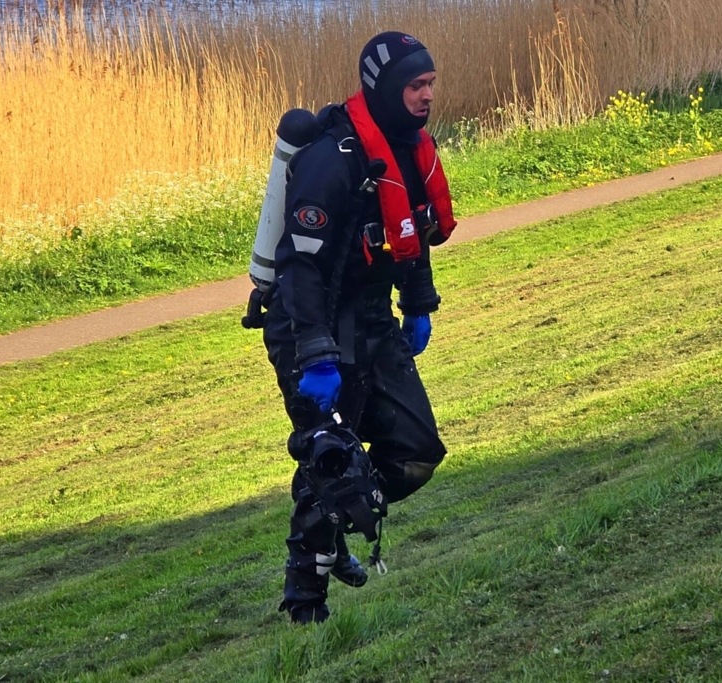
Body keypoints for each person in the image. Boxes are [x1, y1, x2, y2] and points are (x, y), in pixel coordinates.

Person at [261, 31, 457, 625]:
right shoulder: (332, 160)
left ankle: (338, 513)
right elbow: (299, 267)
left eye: (429, 84)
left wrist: (418, 304)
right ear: (386, 89)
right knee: (334, 460)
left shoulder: (407, 149)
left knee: (417, 453)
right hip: (309, 324)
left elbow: (412, 234)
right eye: (415, 86)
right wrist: (316, 354)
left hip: (372, 319)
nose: (426, 96)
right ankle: (305, 606)